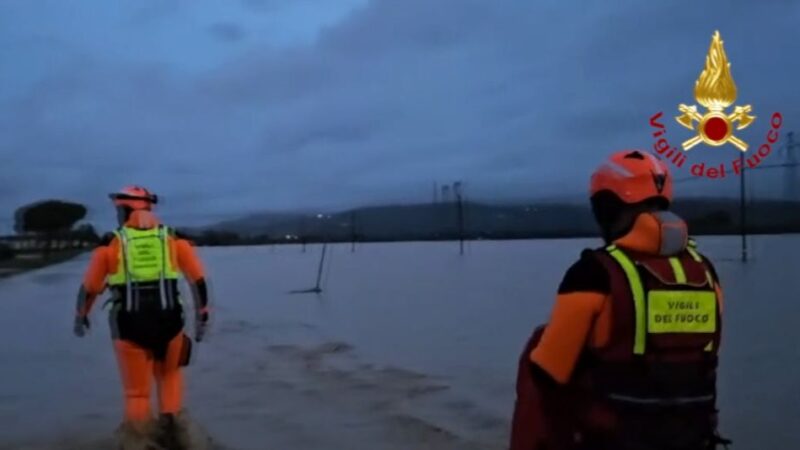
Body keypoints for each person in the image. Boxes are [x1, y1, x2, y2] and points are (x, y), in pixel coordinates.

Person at [510, 150, 730, 450]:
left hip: (614, 441)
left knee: (537, 347)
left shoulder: (593, 273)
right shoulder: (705, 272)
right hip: (694, 439)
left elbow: (548, 373)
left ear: (606, 209)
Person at [73, 185, 211, 450]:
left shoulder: (110, 242)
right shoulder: (173, 238)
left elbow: (89, 287)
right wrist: (202, 316)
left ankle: (139, 442)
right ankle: (177, 435)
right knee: (170, 377)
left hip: (129, 328)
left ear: (126, 210)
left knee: (137, 393)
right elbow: (198, 280)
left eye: (119, 210)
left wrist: (82, 316)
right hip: (170, 324)